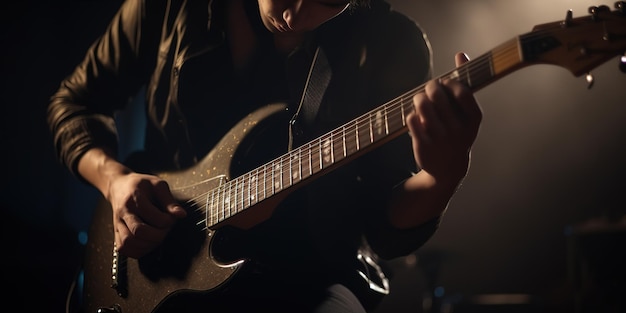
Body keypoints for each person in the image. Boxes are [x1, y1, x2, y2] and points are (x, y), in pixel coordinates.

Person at [48, 0, 482, 312]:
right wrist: (115, 180)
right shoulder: (167, 8)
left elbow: (383, 227)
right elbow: (74, 104)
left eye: (329, 2)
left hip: (307, 274)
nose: (296, 16)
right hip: (163, 266)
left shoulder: (391, 44)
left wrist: (444, 176)